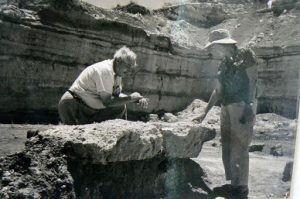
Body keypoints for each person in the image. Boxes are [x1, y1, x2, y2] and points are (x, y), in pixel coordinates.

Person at [193, 29, 257, 198]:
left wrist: (250, 107)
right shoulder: (224, 64)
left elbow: (253, 81)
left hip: (241, 105)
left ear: (222, 45)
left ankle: (241, 188)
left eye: (213, 46)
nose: (212, 50)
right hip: (226, 107)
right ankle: (234, 184)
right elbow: (218, 90)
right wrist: (204, 112)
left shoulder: (246, 55)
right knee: (228, 146)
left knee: (240, 147)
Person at [58, 46, 148, 125]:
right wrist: (130, 98)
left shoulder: (117, 73)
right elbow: (107, 102)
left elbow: (114, 97)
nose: (129, 70)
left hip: (86, 107)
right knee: (74, 141)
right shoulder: (105, 71)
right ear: (118, 61)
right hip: (73, 106)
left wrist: (136, 98)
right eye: (128, 66)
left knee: (120, 107)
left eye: (131, 67)